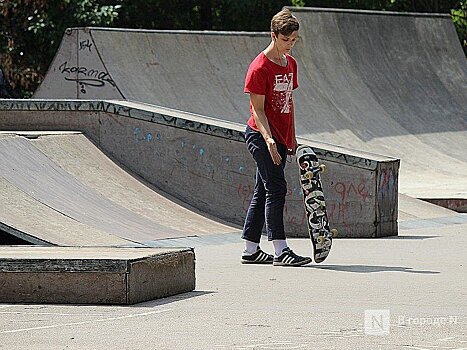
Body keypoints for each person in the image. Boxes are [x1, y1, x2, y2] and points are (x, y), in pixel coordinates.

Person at [241, 8, 312, 267]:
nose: (290, 45)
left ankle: (250, 250)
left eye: (294, 40)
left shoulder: (291, 64)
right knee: (277, 188)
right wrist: (270, 140)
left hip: (281, 137)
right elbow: (257, 110)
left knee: (262, 190)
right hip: (260, 136)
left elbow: (287, 105)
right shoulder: (259, 67)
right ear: (273, 35)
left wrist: (290, 138)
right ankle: (281, 250)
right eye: (286, 40)